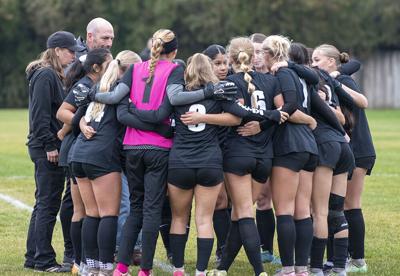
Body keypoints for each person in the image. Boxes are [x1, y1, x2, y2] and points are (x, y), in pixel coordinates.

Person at [210, 36, 289, 276]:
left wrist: (257, 116)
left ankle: (259, 271)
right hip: (264, 158)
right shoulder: (271, 80)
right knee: (239, 214)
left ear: (232, 59)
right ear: (253, 57)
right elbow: (283, 110)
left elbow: (236, 111)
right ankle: (223, 268)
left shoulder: (229, 82)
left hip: (238, 154)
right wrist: (269, 116)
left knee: (243, 212)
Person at [59, 16, 117, 269]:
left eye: (112, 39)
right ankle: (85, 261)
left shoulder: (104, 81)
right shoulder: (87, 82)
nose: (109, 43)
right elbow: (62, 111)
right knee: (86, 211)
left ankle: (84, 262)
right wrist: (79, 122)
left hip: (83, 151)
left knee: (86, 212)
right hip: (82, 150)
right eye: (105, 38)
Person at [312, 44, 375, 274]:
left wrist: (338, 80)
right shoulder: (328, 79)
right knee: (338, 205)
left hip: (357, 148)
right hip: (349, 148)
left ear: (331, 61)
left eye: (317, 59)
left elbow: (363, 102)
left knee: (349, 205)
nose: (314, 63)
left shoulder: (342, 81)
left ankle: (357, 259)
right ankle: (343, 257)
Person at [24, 30, 83, 273]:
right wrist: (49, 145)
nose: (74, 57)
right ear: (57, 50)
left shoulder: (52, 74)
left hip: (47, 145)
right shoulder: (46, 75)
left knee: (44, 203)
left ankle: (32, 257)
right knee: (48, 204)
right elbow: (39, 116)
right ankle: (44, 260)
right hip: (45, 147)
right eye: (71, 52)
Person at [262, 35, 319, 276]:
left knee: (284, 209)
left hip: (290, 143)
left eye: (261, 51)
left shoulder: (283, 73)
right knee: (302, 210)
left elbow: (291, 107)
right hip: (307, 144)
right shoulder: (299, 73)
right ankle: (301, 269)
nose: (258, 56)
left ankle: (288, 269)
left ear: (271, 53)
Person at [248, 32, 281, 265]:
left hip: (272, 144)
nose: (256, 56)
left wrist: (262, 125)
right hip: (243, 147)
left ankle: (267, 250)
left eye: (260, 51)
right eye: (253, 52)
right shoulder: (240, 77)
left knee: (267, 198)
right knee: (247, 201)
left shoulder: (277, 77)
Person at [203, 44, 231, 266]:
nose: (223, 68)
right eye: (218, 63)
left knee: (236, 201)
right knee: (220, 200)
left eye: (225, 63)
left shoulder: (232, 85)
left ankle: (230, 246)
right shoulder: (201, 88)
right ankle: (223, 249)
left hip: (233, 148)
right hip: (211, 150)